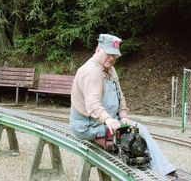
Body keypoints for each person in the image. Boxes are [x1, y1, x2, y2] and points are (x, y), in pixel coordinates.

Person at [69, 33, 178, 180]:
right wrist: (109, 120)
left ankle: (153, 166)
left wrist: (124, 116)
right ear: (98, 49)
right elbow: (93, 105)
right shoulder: (92, 71)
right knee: (139, 131)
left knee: (134, 130)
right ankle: (163, 171)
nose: (112, 58)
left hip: (107, 120)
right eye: (109, 54)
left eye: (115, 55)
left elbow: (120, 95)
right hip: (88, 125)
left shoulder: (110, 70)